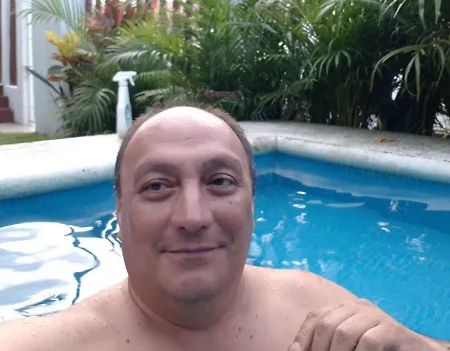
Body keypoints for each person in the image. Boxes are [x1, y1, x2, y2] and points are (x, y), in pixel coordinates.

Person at [0, 104, 448, 351]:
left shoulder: (312, 304)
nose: (193, 216)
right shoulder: (61, 342)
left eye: (220, 181)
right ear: (120, 214)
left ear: (252, 205)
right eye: (157, 186)